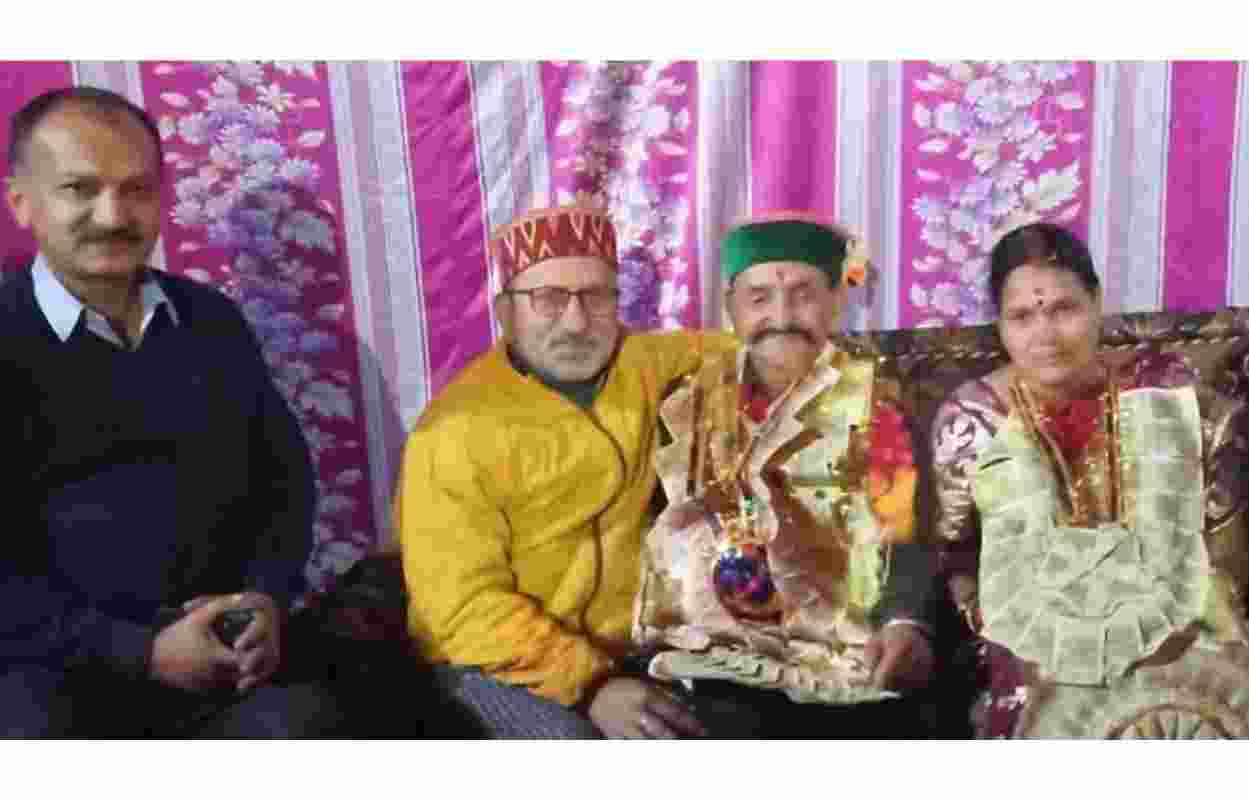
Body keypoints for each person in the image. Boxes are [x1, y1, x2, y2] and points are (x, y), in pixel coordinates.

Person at [0, 87, 349, 737]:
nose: (112, 215)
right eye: (80, 189)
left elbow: (283, 484)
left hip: (222, 658)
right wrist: (142, 651)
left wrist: (264, 598)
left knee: (318, 726)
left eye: (136, 189)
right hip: (52, 674)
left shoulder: (210, 321)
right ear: (22, 202)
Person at [930, 222, 1249, 738]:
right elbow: (957, 556)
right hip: (1030, 630)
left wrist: (1170, 625)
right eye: (1022, 316)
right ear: (999, 326)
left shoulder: (1169, 393)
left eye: (1063, 310)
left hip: (1182, 613)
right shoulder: (974, 418)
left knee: (1218, 704)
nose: (1045, 335)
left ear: (1096, 303)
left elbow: (1223, 550)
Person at [397, 204, 736, 738]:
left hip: (629, 651)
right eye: (549, 298)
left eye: (596, 296)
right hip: (490, 661)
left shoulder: (640, 364)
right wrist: (592, 684)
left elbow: (758, 351)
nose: (576, 321)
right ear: (506, 313)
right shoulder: (452, 432)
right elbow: (462, 610)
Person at [632, 212, 941, 738]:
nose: (781, 315)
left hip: (840, 646)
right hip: (711, 651)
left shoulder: (876, 407)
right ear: (730, 309)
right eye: (759, 299)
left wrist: (905, 622)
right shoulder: (684, 406)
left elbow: (903, 530)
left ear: (836, 302)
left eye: (803, 295)